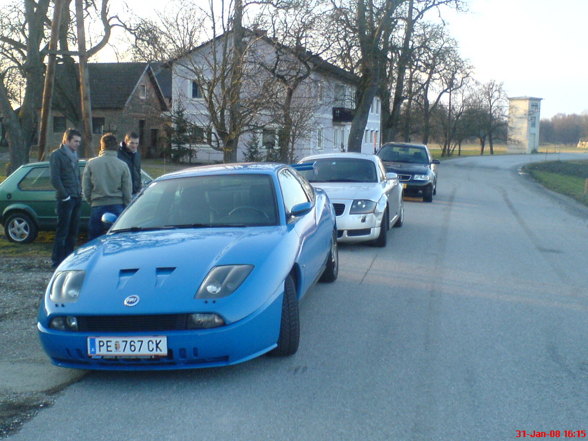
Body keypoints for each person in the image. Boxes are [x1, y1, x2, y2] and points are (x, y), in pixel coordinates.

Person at [82, 133, 132, 240]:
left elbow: (86, 188)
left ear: (101, 145)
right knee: (117, 240)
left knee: (94, 241)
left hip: (97, 204)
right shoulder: (122, 165)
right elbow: (127, 190)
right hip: (117, 205)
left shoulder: (91, 163)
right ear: (116, 147)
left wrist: (91, 201)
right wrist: (126, 205)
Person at [50, 128, 83, 268]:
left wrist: (79, 192)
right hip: (65, 199)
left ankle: (69, 261)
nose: (77, 144)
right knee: (62, 232)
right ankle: (57, 261)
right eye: (75, 141)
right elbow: (55, 179)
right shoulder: (57, 155)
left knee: (73, 231)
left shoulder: (75, 154)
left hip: (76, 196)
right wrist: (65, 196)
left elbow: (77, 176)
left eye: (79, 141)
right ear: (66, 140)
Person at [117, 132, 142, 196]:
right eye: (131, 143)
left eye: (136, 143)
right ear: (126, 142)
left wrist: (139, 188)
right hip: (121, 193)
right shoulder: (117, 154)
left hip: (135, 192)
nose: (134, 146)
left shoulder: (137, 155)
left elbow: (138, 172)